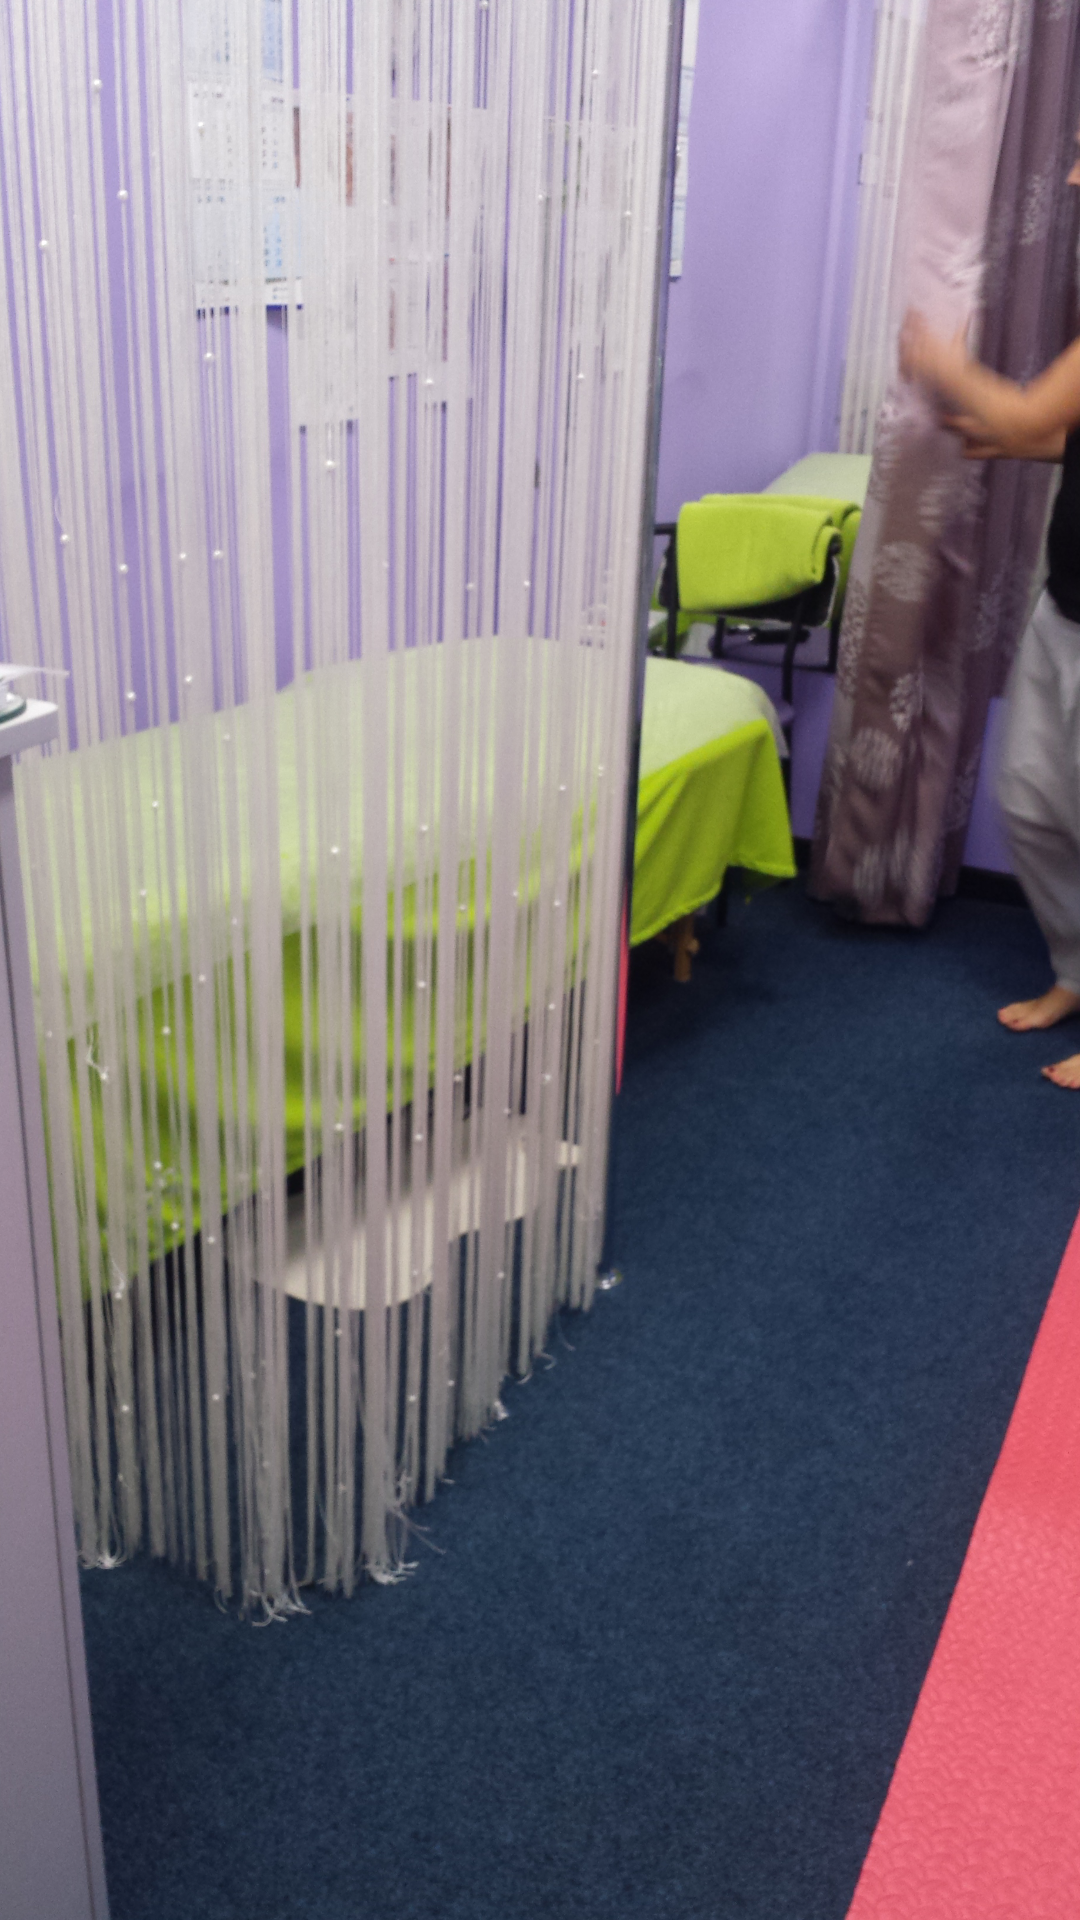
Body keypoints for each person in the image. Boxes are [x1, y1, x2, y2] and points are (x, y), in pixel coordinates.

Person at [900, 132, 1080, 1087]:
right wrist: (1013, 442)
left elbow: (1031, 412)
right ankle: (1076, 973)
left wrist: (934, 353)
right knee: (1034, 803)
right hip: (1067, 609)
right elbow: (1051, 430)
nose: (1074, 173)